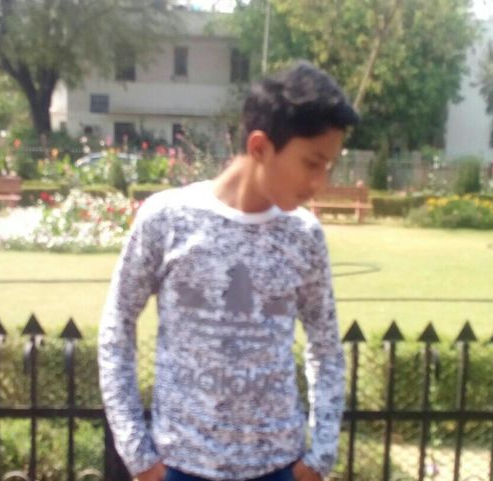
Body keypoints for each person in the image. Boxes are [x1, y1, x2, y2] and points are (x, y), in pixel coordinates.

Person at [98, 60, 359, 481]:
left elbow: (326, 348)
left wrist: (320, 457)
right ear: (259, 147)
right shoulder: (168, 219)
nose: (320, 183)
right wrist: (137, 453)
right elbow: (116, 326)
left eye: (327, 166)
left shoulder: (304, 235)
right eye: (312, 163)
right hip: (179, 466)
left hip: (280, 468)